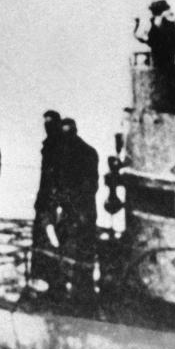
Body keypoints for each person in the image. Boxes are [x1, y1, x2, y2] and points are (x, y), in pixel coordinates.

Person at [32, 112, 99, 299]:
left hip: (78, 212)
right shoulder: (77, 151)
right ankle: (71, 290)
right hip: (76, 211)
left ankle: (73, 292)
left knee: (73, 252)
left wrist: (63, 203)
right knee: (72, 253)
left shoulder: (79, 153)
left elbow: (87, 186)